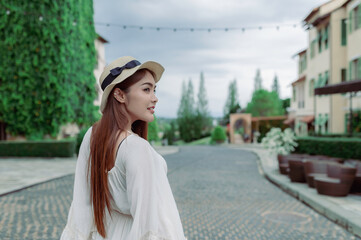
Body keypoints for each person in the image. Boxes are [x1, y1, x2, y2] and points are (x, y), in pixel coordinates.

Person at [61, 56, 187, 240]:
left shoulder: (93, 134)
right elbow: (148, 224)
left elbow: (82, 204)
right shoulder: (136, 147)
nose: (155, 98)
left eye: (154, 90)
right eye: (146, 89)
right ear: (119, 95)